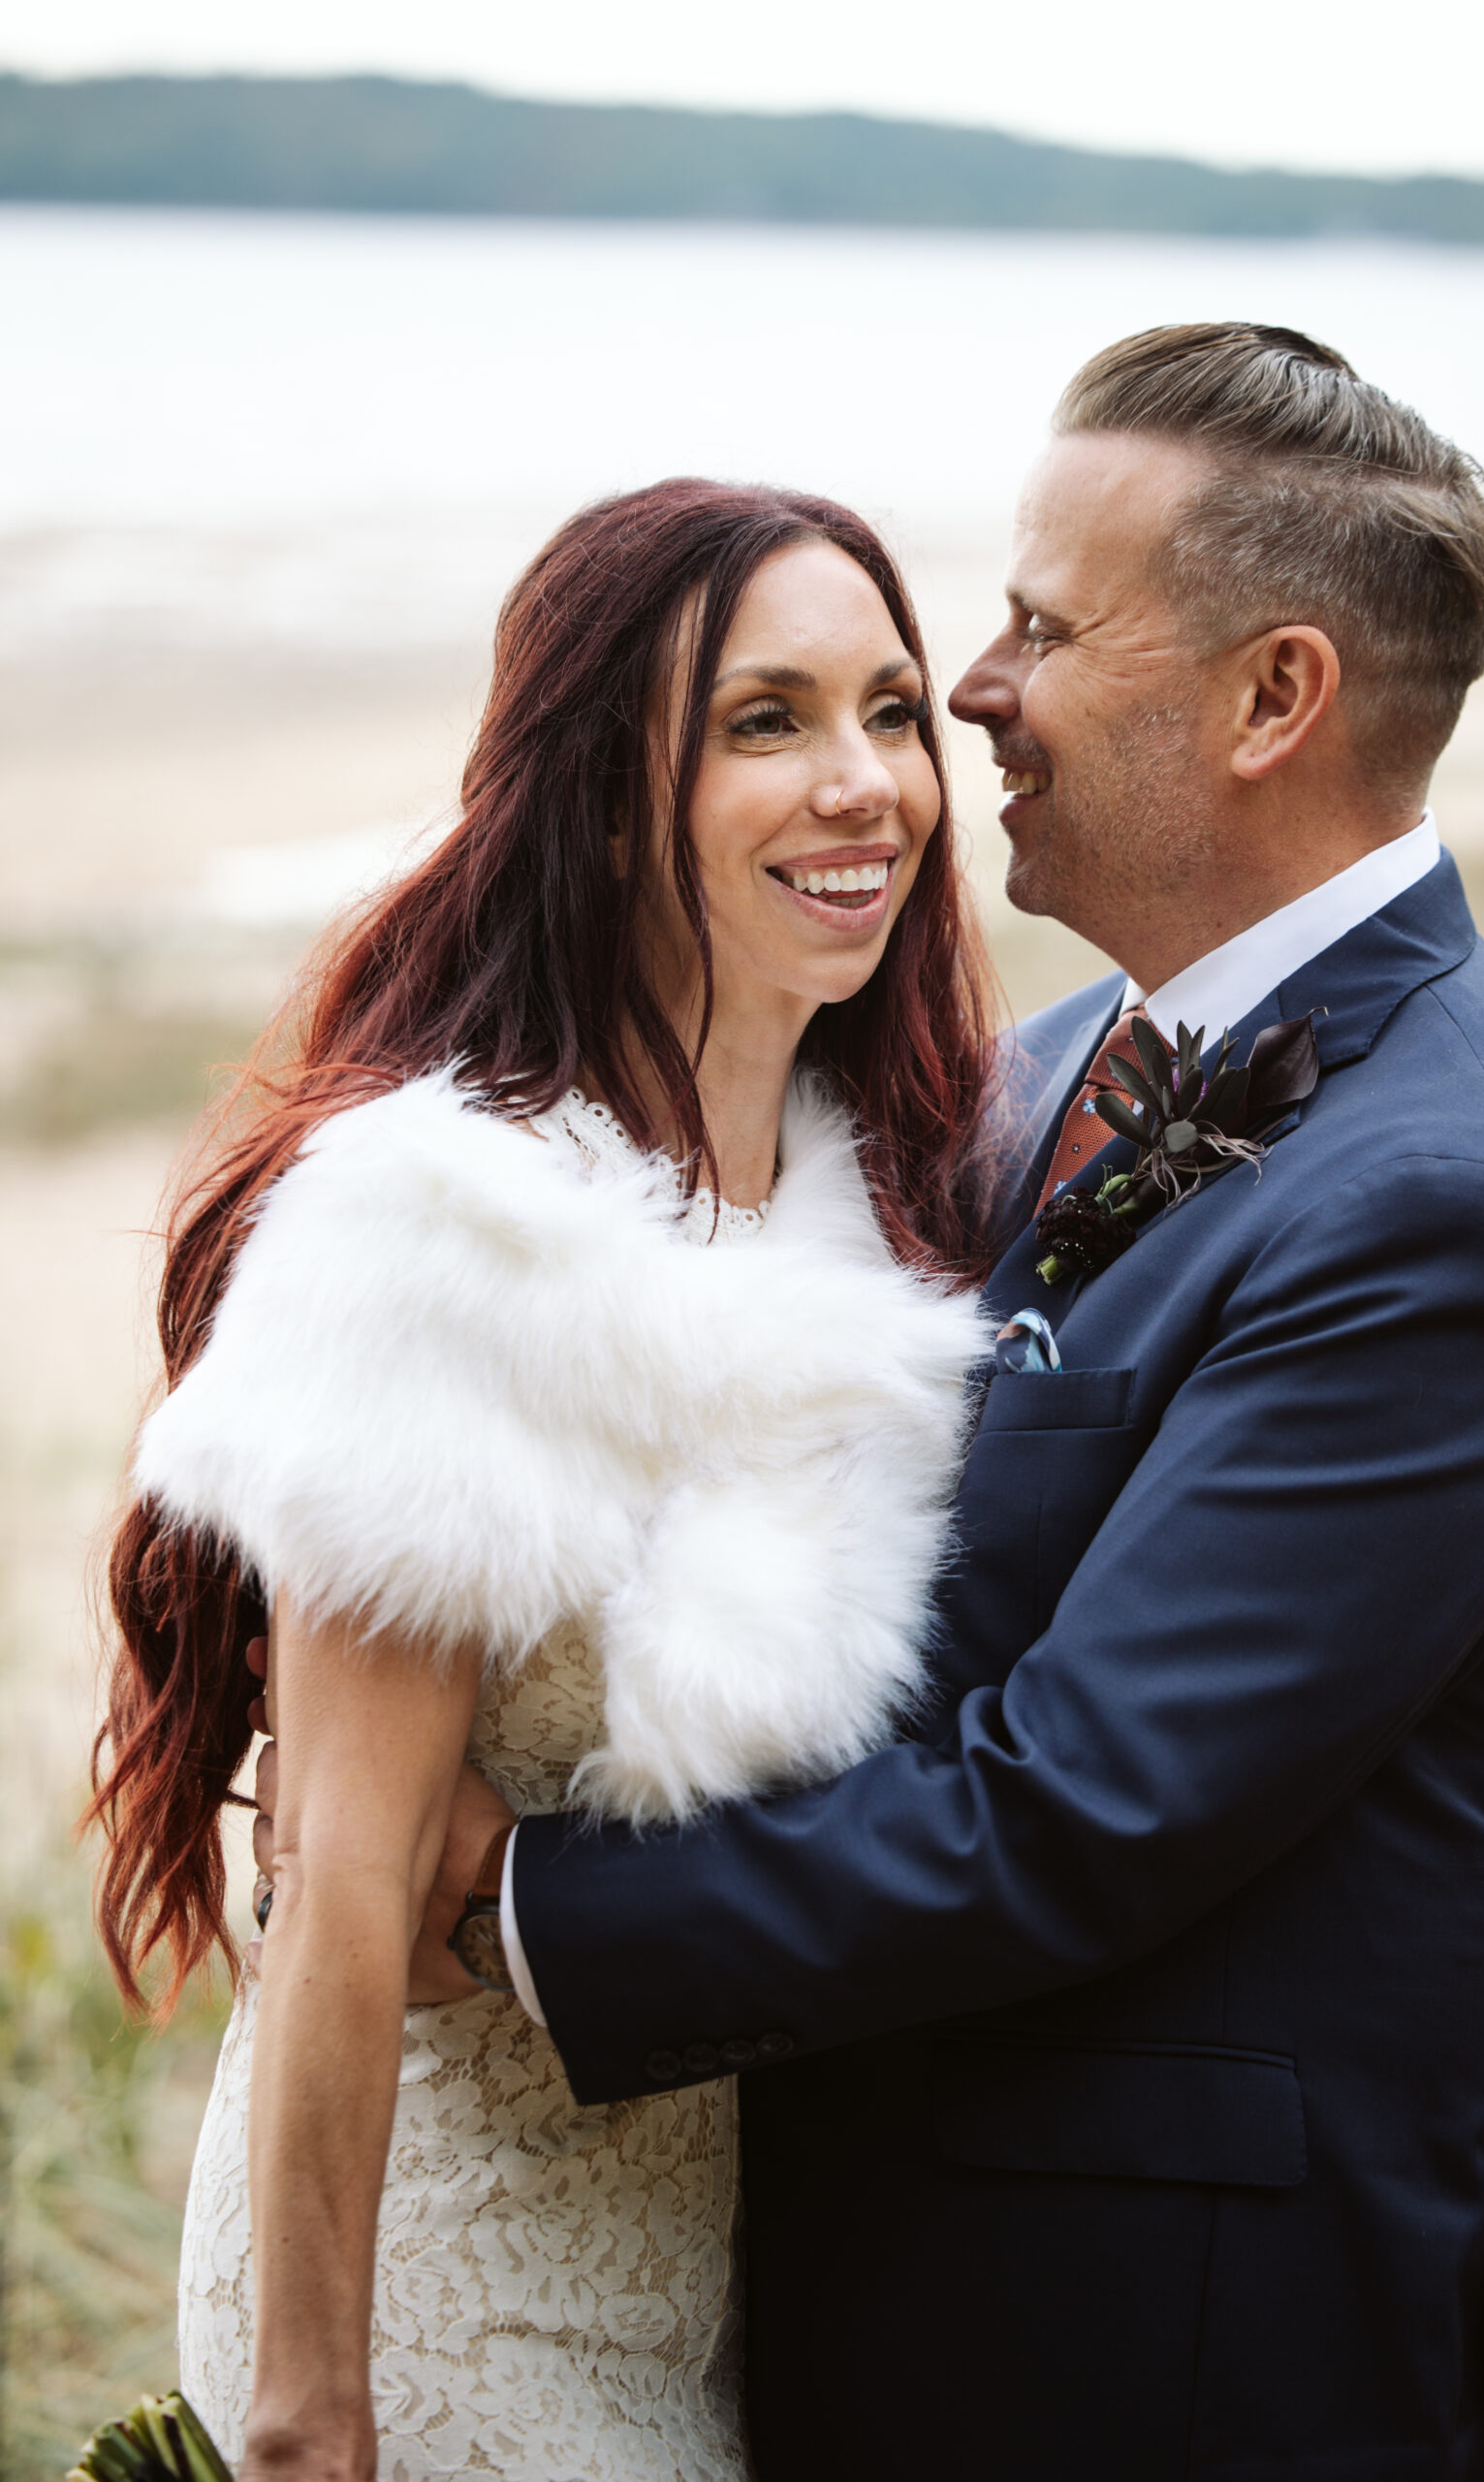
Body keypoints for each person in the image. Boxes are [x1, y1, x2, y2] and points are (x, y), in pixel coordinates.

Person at [363, 327, 1484, 2478]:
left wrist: (508, 1902)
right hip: (860, 2263)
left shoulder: (1452, 1208)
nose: (969, 687)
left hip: (1173, 2352)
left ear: (1273, 698)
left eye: (1042, 625)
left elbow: (1080, 1797)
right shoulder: (1051, 1064)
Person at [88, 479, 1001, 2481]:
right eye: (763, 721)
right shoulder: (452, 1232)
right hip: (436, 2278)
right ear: (605, 797)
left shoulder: (878, 1203)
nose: (861, 784)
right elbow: (335, 1874)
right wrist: (309, 2420)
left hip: (703, 2268)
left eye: (889, 708)